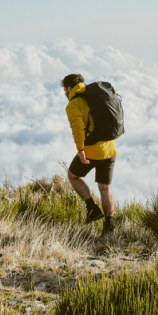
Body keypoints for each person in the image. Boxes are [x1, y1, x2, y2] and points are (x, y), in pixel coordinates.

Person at [62, 73, 117, 234]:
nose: (65, 93)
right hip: (110, 148)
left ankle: (92, 208)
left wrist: (81, 151)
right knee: (105, 188)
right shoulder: (97, 97)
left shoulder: (74, 104)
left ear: (69, 88)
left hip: (92, 151)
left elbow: (78, 128)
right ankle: (109, 227)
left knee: (73, 176)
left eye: (65, 90)